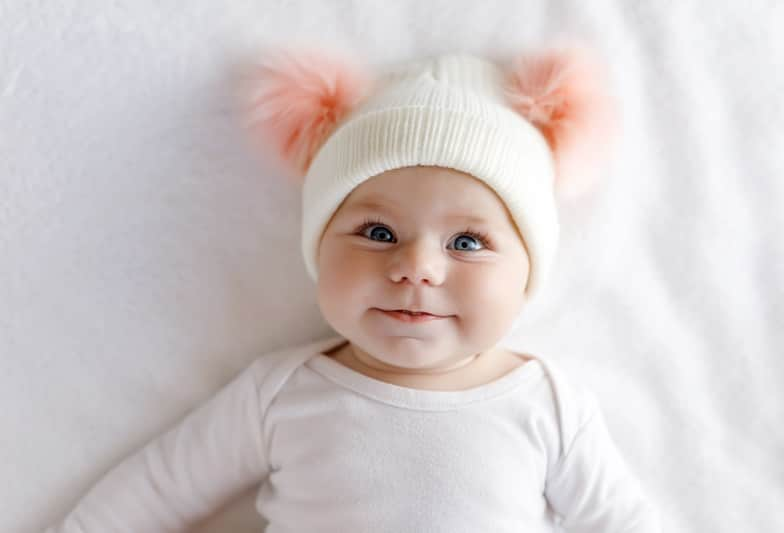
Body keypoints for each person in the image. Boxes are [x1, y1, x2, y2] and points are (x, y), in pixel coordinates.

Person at [45, 42, 660, 532]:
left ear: (529, 272)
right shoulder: (281, 393)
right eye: (377, 231)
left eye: (466, 243)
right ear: (318, 247)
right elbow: (157, 489)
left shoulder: (547, 406)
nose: (417, 268)